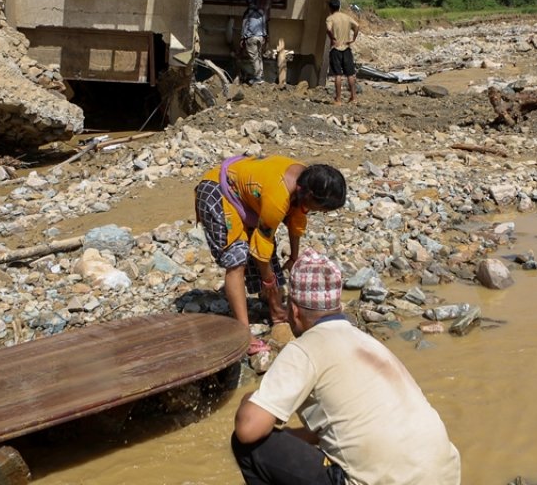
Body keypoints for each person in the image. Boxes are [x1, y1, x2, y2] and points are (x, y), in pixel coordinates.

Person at [231, 249, 463, 485]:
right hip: (445, 475)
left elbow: (248, 428)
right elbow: (349, 427)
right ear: (337, 306)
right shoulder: (367, 343)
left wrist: (250, 399)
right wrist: (293, 436)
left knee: (249, 446)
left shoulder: (306, 348)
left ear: (295, 311)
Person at [194, 156, 346, 355]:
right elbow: (262, 245)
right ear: (308, 195)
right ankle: (244, 334)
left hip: (246, 199)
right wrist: (269, 282)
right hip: (219, 191)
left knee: (269, 261)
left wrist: (293, 256)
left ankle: (272, 309)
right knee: (237, 259)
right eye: (322, 209)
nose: (322, 213)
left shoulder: (308, 180)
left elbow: (297, 219)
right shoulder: (279, 195)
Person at [325, 0, 360, 105]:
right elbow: (357, 26)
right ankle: (353, 98)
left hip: (336, 49)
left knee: (338, 74)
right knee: (350, 74)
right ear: (339, 6)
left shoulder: (330, 18)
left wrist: (333, 38)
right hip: (346, 48)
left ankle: (338, 99)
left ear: (330, 8)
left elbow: (328, 29)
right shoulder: (347, 17)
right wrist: (353, 38)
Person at [240, 0, 269, 85]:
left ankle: (257, 78)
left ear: (247, 2)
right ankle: (261, 76)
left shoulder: (248, 12)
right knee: (259, 57)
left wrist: (242, 38)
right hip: (260, 37)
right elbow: (264, 24)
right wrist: (264, 36)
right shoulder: (261, 12)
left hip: (251, 37)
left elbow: (244, 26)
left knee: (254, 58)